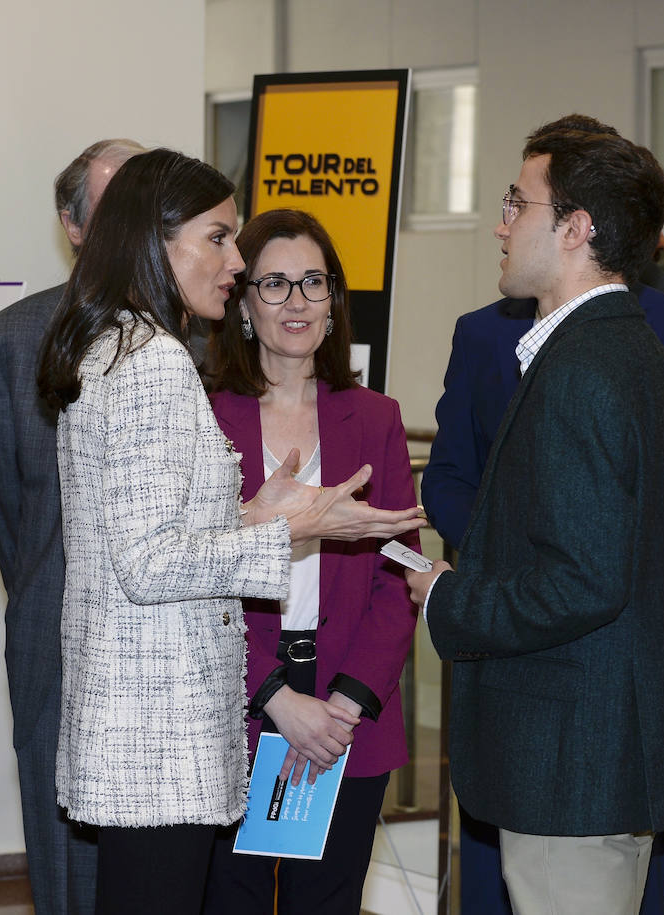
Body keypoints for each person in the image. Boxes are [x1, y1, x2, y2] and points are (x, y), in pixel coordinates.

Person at [36, 148, 425, 914]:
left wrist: (257, 517)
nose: (238, 261)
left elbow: (151, 539)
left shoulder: (121, 347)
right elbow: (149, 563)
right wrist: (287, 527)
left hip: (226, 717)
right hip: (179, 722)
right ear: (158, 240)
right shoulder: (158, 367)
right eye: (221, 240)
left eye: (313, 282)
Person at [419, 113, 664, 915]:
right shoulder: (627, 350)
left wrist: (446, 593)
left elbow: (583, 580)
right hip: (591, 754)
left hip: (572, 765)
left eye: (516, 202)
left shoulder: (585, 372)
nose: (500, 223)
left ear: (575, 228)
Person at [203, 209, 421, 913]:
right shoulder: (202, 415)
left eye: (312, 282)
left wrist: (341, 707)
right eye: (273, 283)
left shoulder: (377, 417)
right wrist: (274, 697)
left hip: (345, 717)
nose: (296, 301)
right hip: (236, 706)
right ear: (242, 303)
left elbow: (399, 576)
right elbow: (198, 578)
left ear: (334, 302)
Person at [0, 136, 144, 915]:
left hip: (191, 664)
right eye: (112, 209)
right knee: (71, 877)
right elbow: (13, 526)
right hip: (56, 644)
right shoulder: (7, 345)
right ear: (72, 227)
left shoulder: (213, 342)